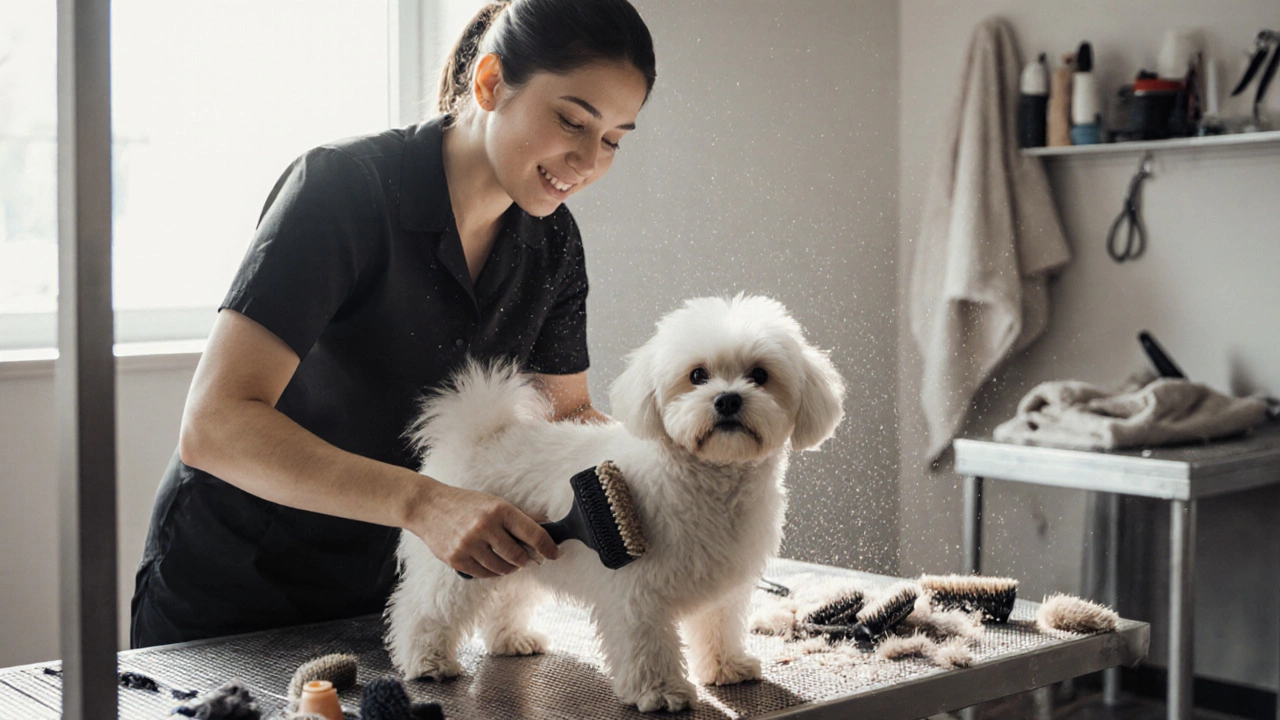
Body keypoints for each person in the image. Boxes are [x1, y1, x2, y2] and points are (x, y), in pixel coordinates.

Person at [130, 0, 657, 648]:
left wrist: (667, 461)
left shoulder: (553, 244)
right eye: (572, 121)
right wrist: (425, 503)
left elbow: (564, 418)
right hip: (235, 591)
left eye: (612, 141)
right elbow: (215, 426)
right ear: (490, 83)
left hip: (388, 595)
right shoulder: (340, 190)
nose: (587, 161)